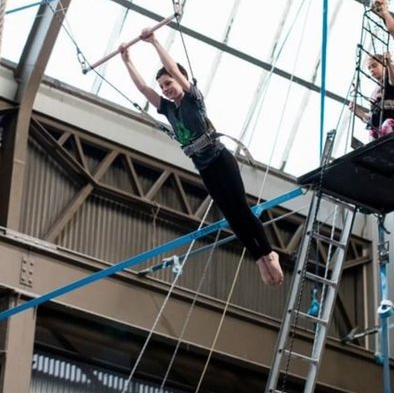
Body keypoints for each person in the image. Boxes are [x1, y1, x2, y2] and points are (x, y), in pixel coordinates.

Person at [119, 29, 284, 286]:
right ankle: (258, 258)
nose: (166, 89)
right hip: (205, 168)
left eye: (169, 83)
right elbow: (143, 88)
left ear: (180, 80)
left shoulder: (193, 99)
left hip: (220, 160)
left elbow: (172, 67)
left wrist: (154, 42)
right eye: (163, 86)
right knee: (230, 215)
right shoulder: (167, 109)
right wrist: (127, 60)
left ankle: (269, 252)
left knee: (240, 207)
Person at [349, 52, 394, 140]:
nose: (371, 69)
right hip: (377, 126)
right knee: (372, 133)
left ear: (384, 66)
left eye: (374, 66)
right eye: (369, 68)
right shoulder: (374, 92)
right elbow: (369, 117)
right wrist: (356, 110)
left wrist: (388, 64)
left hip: (390, 123)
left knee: (385, 127)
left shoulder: (388, 81)